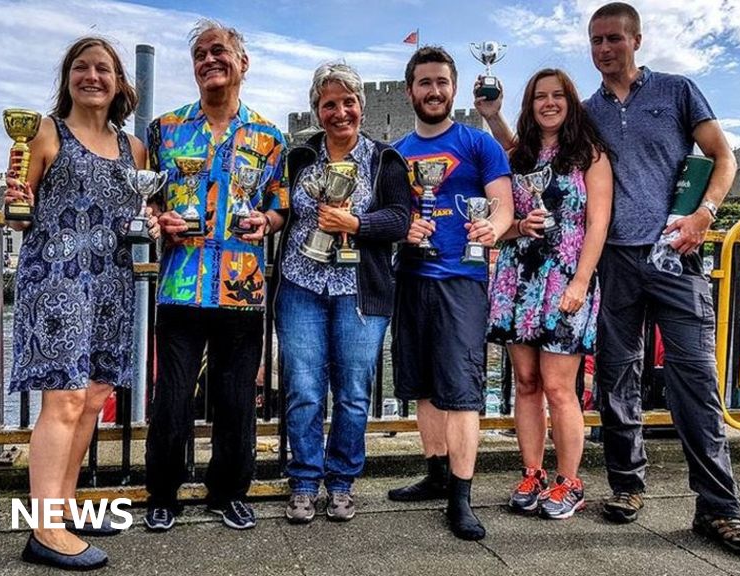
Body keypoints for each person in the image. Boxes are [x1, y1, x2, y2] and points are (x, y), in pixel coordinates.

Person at [582, 2, 740, 557]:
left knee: (694, 383)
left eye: (614, 38)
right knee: (616, 377)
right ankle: (626, 485)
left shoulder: (677, 91)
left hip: (675, 255)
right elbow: (534, 152)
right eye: (595, 41)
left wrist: (706, 213)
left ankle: (719, 509)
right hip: (615, 259)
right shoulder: (586, 111)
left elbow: (722, 156)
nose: (605, 49)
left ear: (637, 39)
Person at [5, 36, 152, 570]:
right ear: (67, 77)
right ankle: (44, 530)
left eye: (104, 69)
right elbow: (20, 214)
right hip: (57, 282)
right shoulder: (45, 133)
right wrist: (15, 193)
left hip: (110, 284)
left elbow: (135, 219)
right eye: (82, 68)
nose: (93, 76)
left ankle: (62, 508)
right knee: (62, 402)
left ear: (119, 83)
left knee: (92, 400)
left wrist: (152, 223)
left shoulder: (134, 150)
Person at [143, 18, 288, 532]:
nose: (210, 60)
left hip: (242, 287)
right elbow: (151, 199)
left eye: (220, 51)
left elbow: (280, 207)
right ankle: (162, 491)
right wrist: (160, 220)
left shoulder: (272, 137)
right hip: (181, 284)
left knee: (234, 400)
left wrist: (265, 221)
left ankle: (228, 491)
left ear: (242, 63)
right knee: (172, 397)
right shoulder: (164, 129)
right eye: (201, 54)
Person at [274, 62, 411, 524]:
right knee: (304, 389)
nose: (339, 112)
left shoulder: (385, 159)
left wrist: (356, 223)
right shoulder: (298, 157)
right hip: (301, 283)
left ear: (362, 107)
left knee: (353, 392)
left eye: (347, 102)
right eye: (329, 103)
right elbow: (277, 209)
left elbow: (400, 220)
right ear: (316, 108)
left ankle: (342, 482)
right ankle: (305, 481)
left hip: (360, 289)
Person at [388, 46, 514, 541]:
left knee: (461, 391)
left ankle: (461, 497)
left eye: (442, 82)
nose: (434, 91)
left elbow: (502, 206)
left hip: (461, 280)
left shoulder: (479, 145)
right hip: (412, 278)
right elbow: (391, 216)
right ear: (410, 91)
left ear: (454, 88)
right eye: (424, 82)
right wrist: (404, 230)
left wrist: (493, 229)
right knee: (421, 385)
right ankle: (437, 474)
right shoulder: (396, 152)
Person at [476, 68, 612, 519]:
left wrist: (579, 282)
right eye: (540, 96)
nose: (549, 103)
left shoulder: (590, 155)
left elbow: (598, 224)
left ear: (571, 102)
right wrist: (517, 227)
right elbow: (508, 222)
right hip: (519, 278)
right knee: (527, 384)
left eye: (557, 95)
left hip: (564, 280)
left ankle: (569, 482)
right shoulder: (522, 156)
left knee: (559, 387)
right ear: (530, 104)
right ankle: (532, 473)